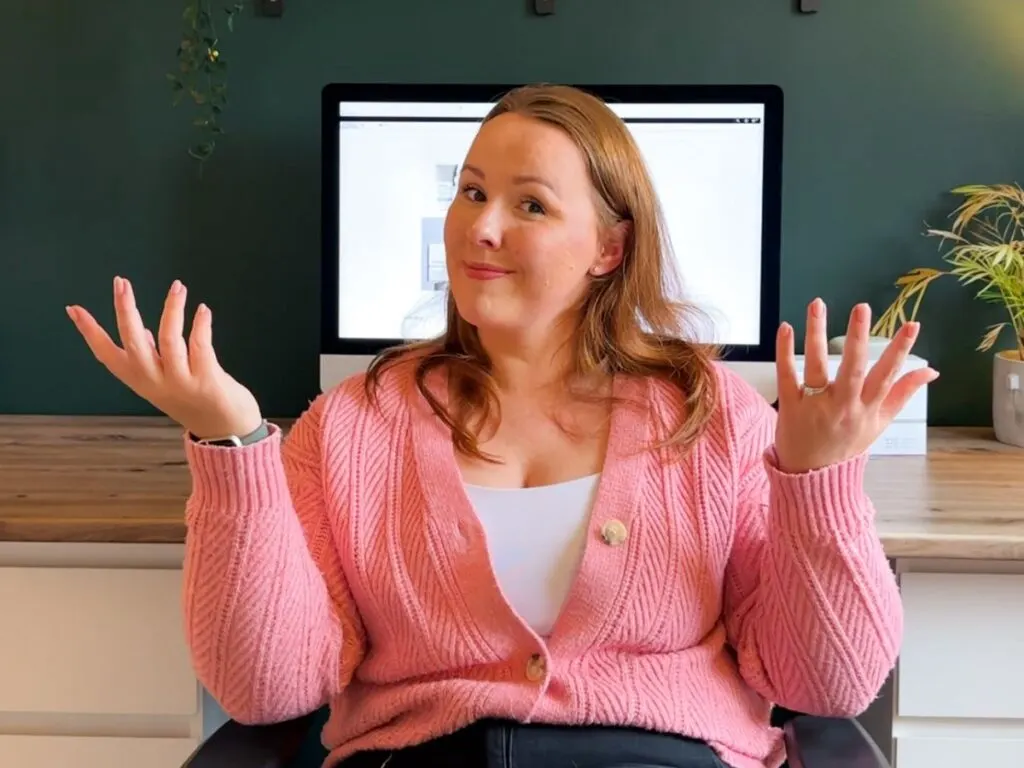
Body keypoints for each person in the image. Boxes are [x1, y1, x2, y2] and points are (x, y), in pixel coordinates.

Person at [66, 84, 938, 768]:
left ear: (609, 249)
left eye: (530, 205)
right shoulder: (350, 427)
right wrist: (232, 443)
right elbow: (266, 690)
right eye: (471, 191)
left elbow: (828, 683)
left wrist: (817, 481)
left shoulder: (713, 420)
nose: (479, 227)